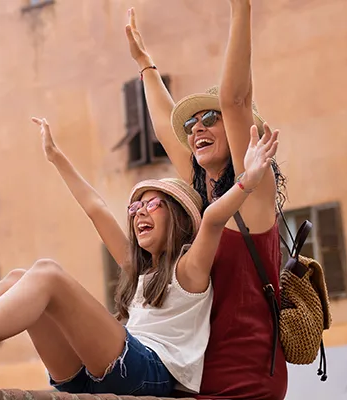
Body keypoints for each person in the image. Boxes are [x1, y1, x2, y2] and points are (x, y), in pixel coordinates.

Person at [0, 116, 278, 397]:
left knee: (47, 275)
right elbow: (96, 207)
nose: (138, 214)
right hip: (98, 373)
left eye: (152, 205)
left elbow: (212, 220)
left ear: (177, 217)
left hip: (151, 375)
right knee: (17, 278)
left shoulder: (188, 270)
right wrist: (57, 158)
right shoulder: (138, 269)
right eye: (134, 208)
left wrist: (249, 178)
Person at [125, 1, 289, 399]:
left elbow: (234, 100)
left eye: (209, 119)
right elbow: (167, 128)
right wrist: (146, 66)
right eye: (192, 124)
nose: (197, 127)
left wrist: (240, 10)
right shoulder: (201, 201)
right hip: (192, 372)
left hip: (245, 374)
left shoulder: (254, 192)